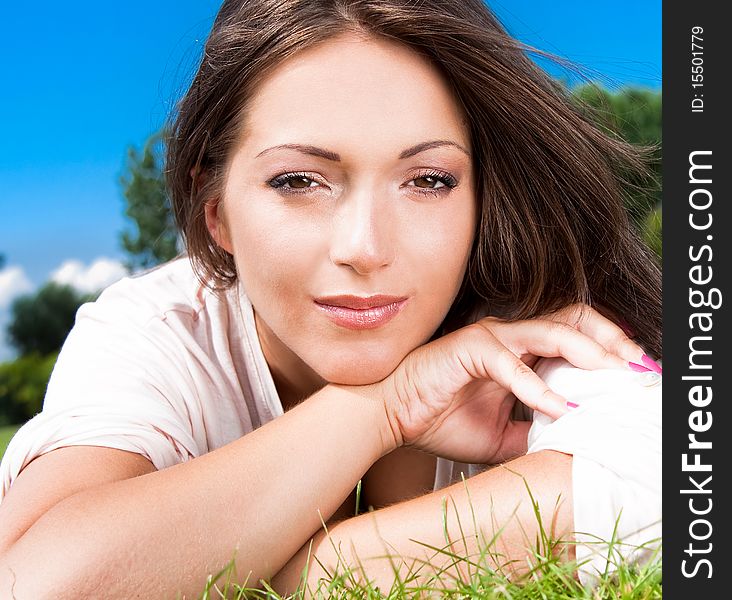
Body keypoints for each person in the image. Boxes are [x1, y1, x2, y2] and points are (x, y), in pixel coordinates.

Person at [0, 0, 662, 597]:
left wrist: (279, 574)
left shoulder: (531, 323)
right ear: (215, 210)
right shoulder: (162, 332)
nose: (365, 246)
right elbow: (34, 584)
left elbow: (680, 491)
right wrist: (383, 408)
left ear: (481, 198)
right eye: (298, 181)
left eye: (429, 180)